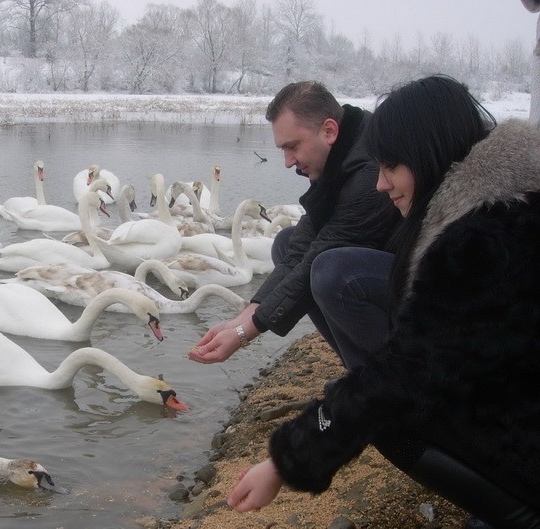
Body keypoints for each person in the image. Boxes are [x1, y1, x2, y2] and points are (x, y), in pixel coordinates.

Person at [227, 75, 540, 527]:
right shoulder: (512, 207)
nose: (379, 184)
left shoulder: (483, 241)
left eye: (390, 167)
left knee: (394, 423)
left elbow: (402, 375)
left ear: (427, 156)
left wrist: (283, 462)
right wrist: (246, 319)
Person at [188, 81, 399, 369]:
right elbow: (301, 246)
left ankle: (390, 377)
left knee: (329, 270)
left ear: (329, 131)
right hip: (393, 270)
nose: (287, 162)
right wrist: (241, 319)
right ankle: (361, 373)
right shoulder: (345, 151)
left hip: (427, 284)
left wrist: (244, 334)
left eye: (292, 147)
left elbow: (322, 252)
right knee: (286, 242)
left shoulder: (369, 174)